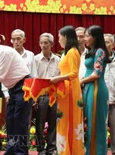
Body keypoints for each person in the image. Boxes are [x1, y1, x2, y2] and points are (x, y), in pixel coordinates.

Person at [50, 26, 85, 155]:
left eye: (60, 37)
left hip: (71, 90)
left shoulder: (73, 52)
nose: (59, 39)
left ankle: (71, 151)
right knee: (63, 119)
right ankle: (65, 149)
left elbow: (74, 74)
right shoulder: (69, 52)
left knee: (70, 120)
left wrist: (57, 78)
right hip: (65, 89)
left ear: (66, 37)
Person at [80, 25, 109, 155]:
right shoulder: (90, 51)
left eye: (87, 36)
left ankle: (98, 152)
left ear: (95, 37)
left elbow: (96, 74)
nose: (85, 38)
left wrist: (81, 81)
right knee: (88, 120)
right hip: (89, 88)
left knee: (96, 122)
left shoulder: (100, 51)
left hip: (97, 88)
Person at [34, 33, 60, 155]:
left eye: (46, 43)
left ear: (52, 44)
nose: (43, 45)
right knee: (39, 122)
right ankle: (40, 148)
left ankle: (51, 148)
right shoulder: (35, 59)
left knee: (53, 122)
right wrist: (34, 97)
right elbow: (33, 79)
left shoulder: (58, 60)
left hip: (54, 95)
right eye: (41, 43)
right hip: (41, 96)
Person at [104, 33, 115, 155]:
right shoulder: (97, 60)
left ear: (113, 44)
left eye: (107, 42)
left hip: (114, 101)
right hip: (101, 101)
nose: (105, 44)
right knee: (100, 130)